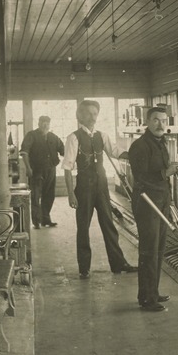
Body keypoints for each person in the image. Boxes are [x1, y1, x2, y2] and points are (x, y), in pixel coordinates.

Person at [64, 99, 137, 279]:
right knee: (83, 227)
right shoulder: (74, 138)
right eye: (88, 113)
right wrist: (71, 194)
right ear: (80, 116)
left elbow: (115, 151)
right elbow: (67, 168)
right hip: (83, 188)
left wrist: (137, 153)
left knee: (109, 225)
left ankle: (118, 263)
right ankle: (84, 268)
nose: (92, 117)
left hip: (102, 186)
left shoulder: (102, 136)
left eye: (95, 113)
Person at [128, 105, 177, 312]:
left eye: (164, 120)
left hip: (161, 200)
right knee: (149, 250)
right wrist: (166, 173)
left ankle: (152, 292)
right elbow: (140, 176)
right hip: (147, 202)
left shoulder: (161, 143)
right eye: (156, 120)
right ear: (147, 122)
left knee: (158, 249)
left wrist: (170, 199)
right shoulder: (140, 146)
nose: (160, 124)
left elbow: (162, 178)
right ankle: (146, 298)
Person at [19, 115, 65, 227]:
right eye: (43, 122)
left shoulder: (53, 137)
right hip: (36, 170)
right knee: (35, 196)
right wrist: (28, 168)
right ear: (39, 123)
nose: (45, 125)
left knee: (49, 195)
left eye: (47, 123)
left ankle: (46, 219)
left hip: (51, 170)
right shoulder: (31, 135)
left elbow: (64, 151)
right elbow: (24, 152)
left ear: (49, 124)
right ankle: (36, 221)